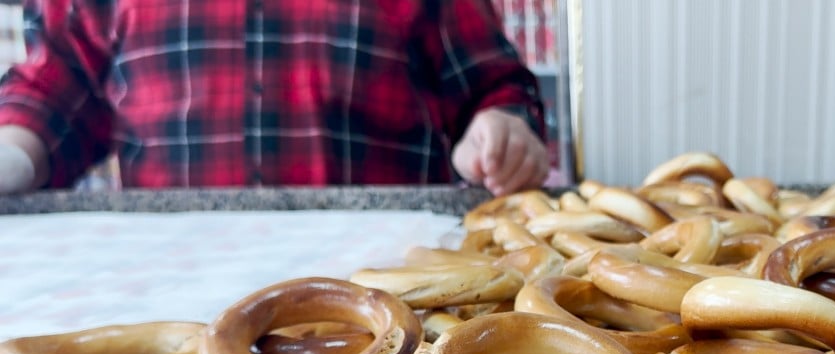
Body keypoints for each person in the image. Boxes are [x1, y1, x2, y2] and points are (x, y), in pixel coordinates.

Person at [0, 0, 549, 195]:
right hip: (173, 298)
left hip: (382, 296)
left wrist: (501, 125)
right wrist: (12, 154)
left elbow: (493, 86)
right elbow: (56, 89)